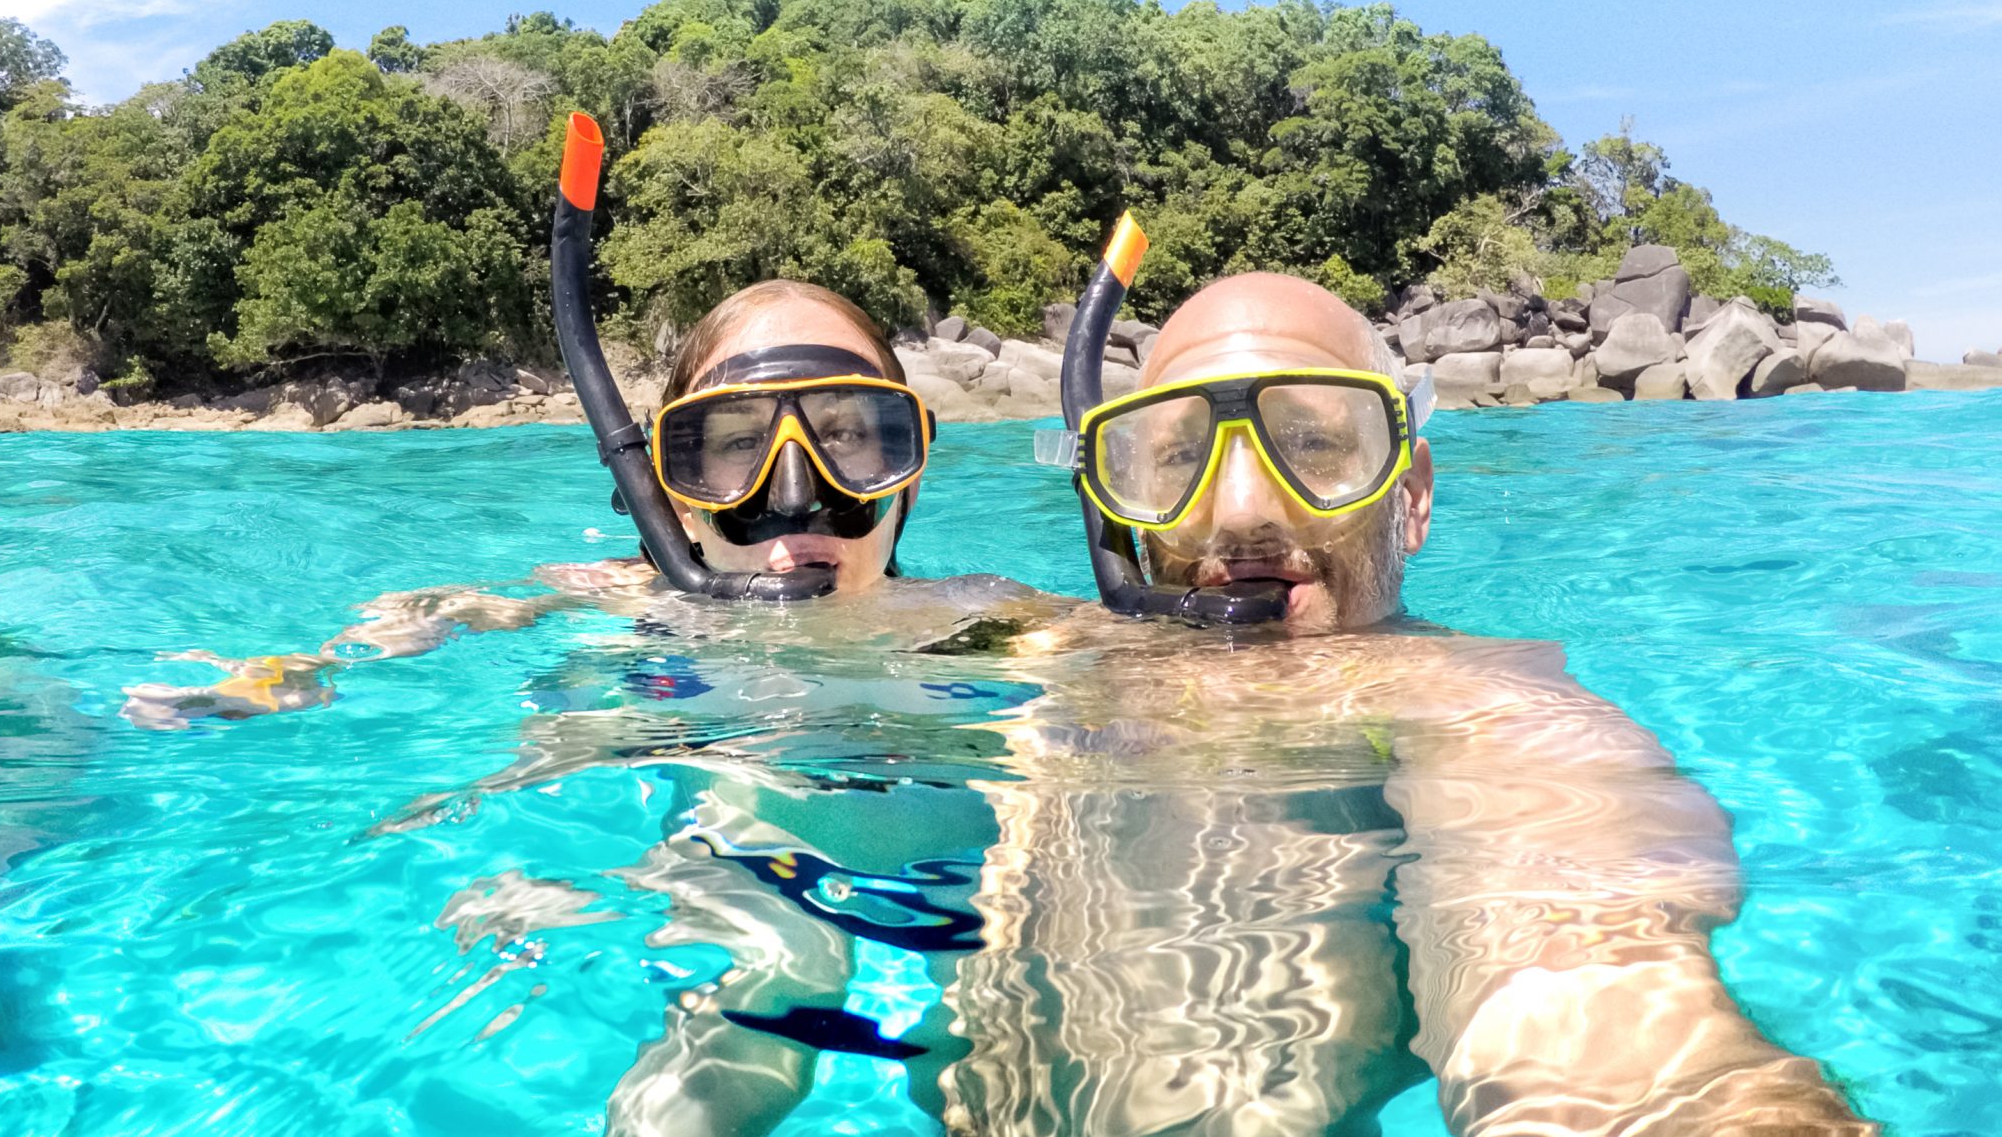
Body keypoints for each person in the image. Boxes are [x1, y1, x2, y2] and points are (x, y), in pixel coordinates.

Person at [940, 265, 1875, 1134]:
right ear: (1118, 501)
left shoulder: (1472, 706)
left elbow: (1605, 1027)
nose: (1238, 512)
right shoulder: (1053, 638)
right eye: (1178, 457)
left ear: (1412, 496)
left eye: (1310, 442)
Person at [125, 277, 1062, 1135]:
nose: (795, 490)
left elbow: (1151, 664)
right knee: (773, 982)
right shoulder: (621, 594)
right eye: (736, 444)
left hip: (958, 877)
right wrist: (292, 670)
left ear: (911, 461)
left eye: (851, 432)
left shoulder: (987, 614)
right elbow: (440, 610)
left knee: (999, 1046)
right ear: (670, 488)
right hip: (740, 857)